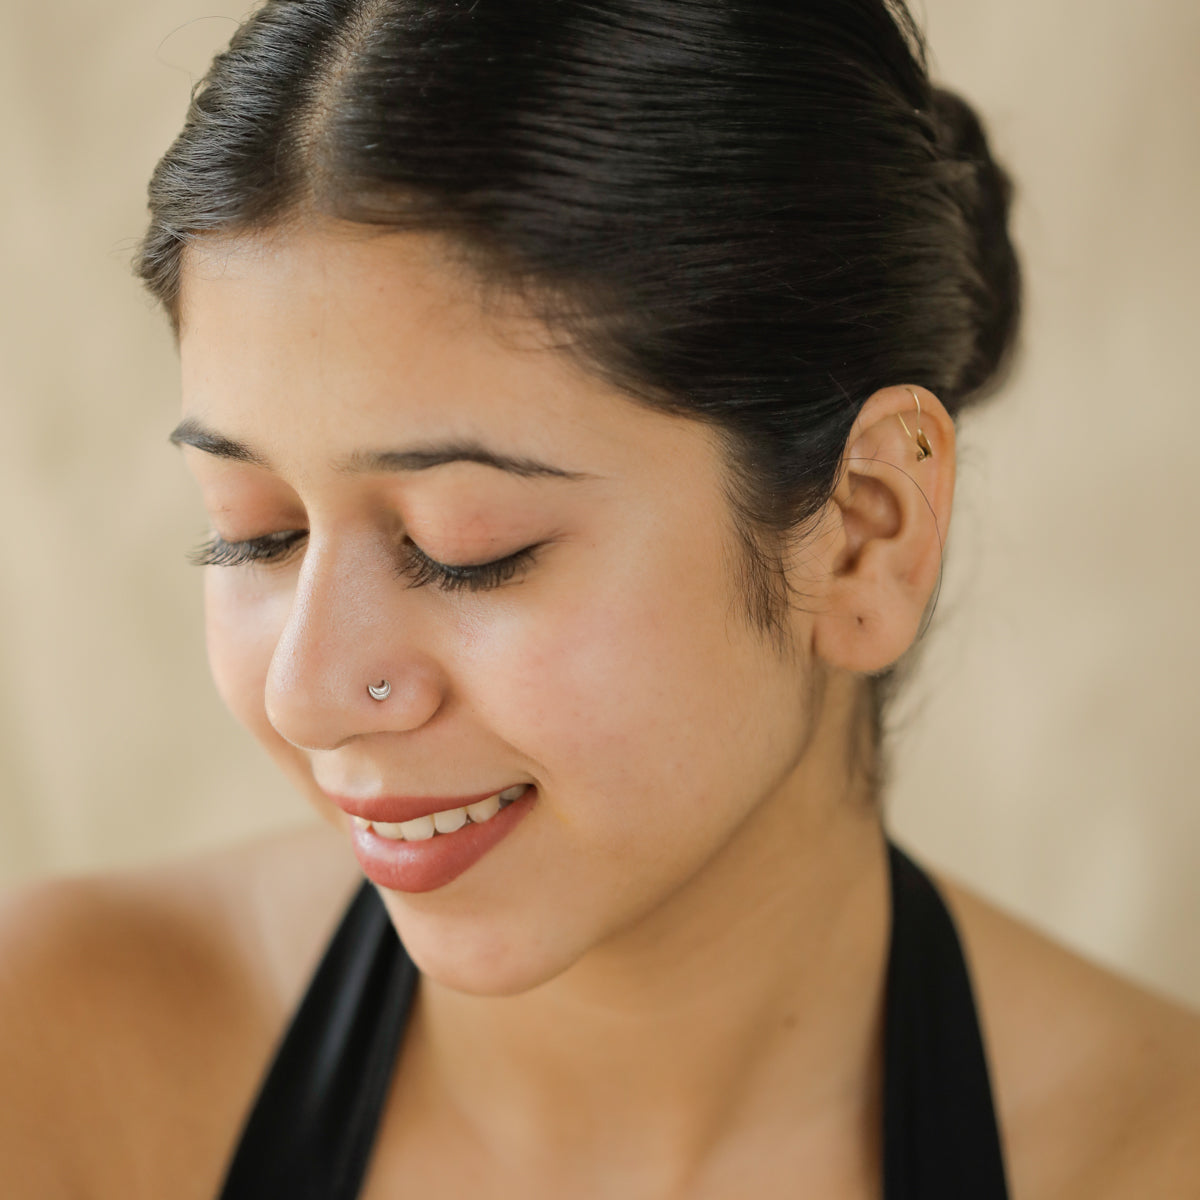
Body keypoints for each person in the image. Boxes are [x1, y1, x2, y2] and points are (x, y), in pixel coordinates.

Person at [2, 1, 1198, 1196]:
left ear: (863, 534)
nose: (305, 694)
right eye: (257, 534)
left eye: (467, 550)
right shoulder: (52, 1069)